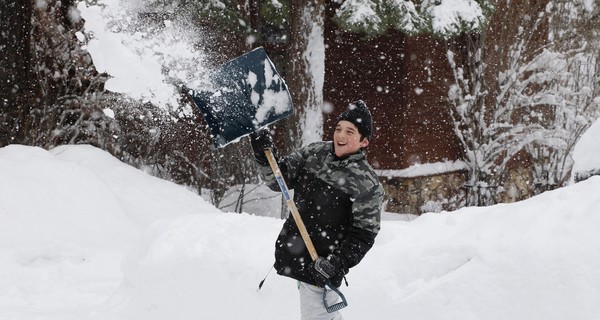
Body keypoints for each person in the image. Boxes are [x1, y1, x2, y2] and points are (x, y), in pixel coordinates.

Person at [250, 100, 385, 320]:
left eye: (350, 131)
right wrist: (265, 152)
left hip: (320, 264)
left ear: (364, 141)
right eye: (339, 128)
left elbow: (364, 234)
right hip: (297, 252)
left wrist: (335, 264)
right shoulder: (315, 152)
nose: (340, 135)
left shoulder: (366, 183)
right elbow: (279, 179)